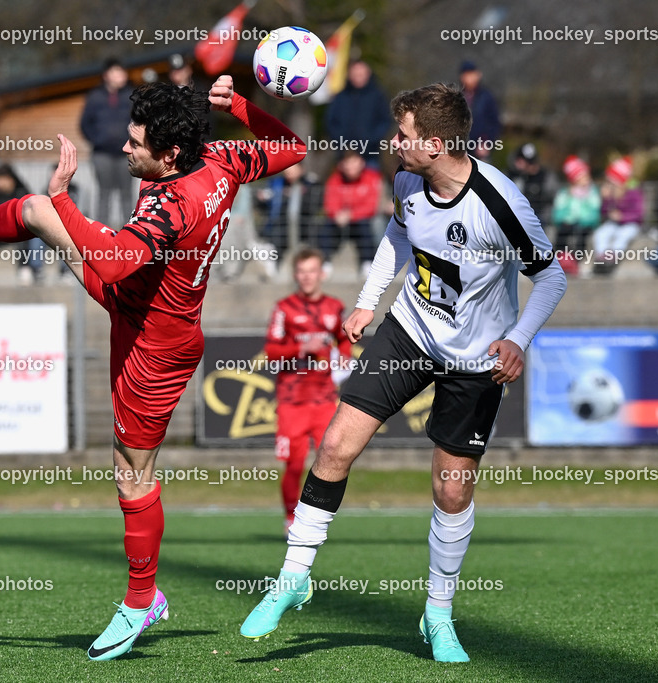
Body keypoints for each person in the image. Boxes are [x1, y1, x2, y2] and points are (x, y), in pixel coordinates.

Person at [0, 75, 305, 661]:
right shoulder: (222, 158)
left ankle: (141, 600)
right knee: (34, 209)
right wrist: (243, 107)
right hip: (139, 309)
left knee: (132, 473)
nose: (124, 149)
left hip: (156, 345)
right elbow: (294, 149)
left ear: (168, 154)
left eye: (134, 144)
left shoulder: (174, 203)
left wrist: (68, 199)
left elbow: (115, 261)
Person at [239, 82, 567, 663]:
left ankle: (437, 614)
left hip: (475, 357)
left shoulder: (500, 203)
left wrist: (517, 339)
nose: (393, 144)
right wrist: (369, 300)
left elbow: (552, 278)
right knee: (335, 446)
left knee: (451, 486)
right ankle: (293, 576)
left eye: (404, 136)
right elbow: (398, 233)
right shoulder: (406, 180)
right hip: (409, 332)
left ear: (437, 145)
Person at [265, 248, 351, 533]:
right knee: (293, 464)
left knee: (331, 461)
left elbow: (344, 339)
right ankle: (291, 518)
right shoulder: (284, 308)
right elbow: (272, 352)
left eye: (312, 271)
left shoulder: (335, 307)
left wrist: (344, 359)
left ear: (321, 273)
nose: (307, 277)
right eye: (301, 272)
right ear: (295, 274)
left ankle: (319, 517)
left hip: (325, 399)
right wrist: (301, 348)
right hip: (292, 400)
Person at [80, 58, 135, 229]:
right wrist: (98, 139)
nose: (121, 75)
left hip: (127, 153)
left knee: (127, 195)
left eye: (123, 72)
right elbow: (84, 123)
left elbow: (140, 120)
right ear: (107, 75)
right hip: (102, 154)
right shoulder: (95, 96)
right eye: (117, 72)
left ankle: (131, 233)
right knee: (104, 194)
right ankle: (100, 233)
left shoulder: (132, 94)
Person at [320, 150, 382, 276]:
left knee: (366, 227)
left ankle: (367, 262)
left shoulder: (372, 178)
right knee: (325, 227)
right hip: (340, 222)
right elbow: (329, 204)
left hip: (363, 221)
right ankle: (325, 262)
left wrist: (351, 215)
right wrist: (336, 214)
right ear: (341, 165)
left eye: (354, 162)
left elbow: (372, 206)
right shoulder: (334, 180)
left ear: (362, 163)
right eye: (347, 163)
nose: (351, 167)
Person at [254, 162, 324, 273]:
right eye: (286, 168)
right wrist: (262, 198)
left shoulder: (311, 183)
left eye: (292, 169)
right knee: (277, 231)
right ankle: (272, 263)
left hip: (305, 224)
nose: (288, 172)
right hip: (283, 224)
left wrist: (297, 195)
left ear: (301, 169)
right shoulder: (277, 183)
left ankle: (321, 265)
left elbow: (315, 206)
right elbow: (266, 206)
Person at [324, 60, 391, 165]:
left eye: (361, 74)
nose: (358, 77)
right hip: (343, 155)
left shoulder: (378, 96)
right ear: (349, 75)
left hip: (370, 155)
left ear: (368, 75)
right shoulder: (340, 97)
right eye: (355, 74)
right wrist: (342, 142)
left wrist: (370, 140)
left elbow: (385, 121)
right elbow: (331, 122)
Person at [593, 156, 643, 275]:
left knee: (623, 235)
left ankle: (613, 257)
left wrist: (623, 217)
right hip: (614, 223)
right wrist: (605, 200)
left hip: (631, 224)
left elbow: (639, 214)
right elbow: (604, 212)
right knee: (601, 233)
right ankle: (602, 256)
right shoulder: (611, 194)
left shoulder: (634, 193)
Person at [551, 156, 600, 276]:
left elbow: (594, 210)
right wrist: (565, 219)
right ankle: (561, 259)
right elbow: (558, 211)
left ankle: (577, 261)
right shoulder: (565, 193)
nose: (586, 179)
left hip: (586, 223)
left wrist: (583, 220)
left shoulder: (592, 192)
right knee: (561, 233)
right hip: (568, 223)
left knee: (581, 235)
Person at [458, 61, 501, 160]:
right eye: (467, 75)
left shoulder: (486, 96)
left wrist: (486, 143)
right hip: (460, 148)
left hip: (480, 149)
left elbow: (494, 122)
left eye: (472, 74)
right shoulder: (457, 95)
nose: (470, 78)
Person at [507, 143, 555, 225]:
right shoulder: (514, 176)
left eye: (522, 161)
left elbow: (551, 198)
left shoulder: (545, 177)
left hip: (537, 218)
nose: (519, 164)